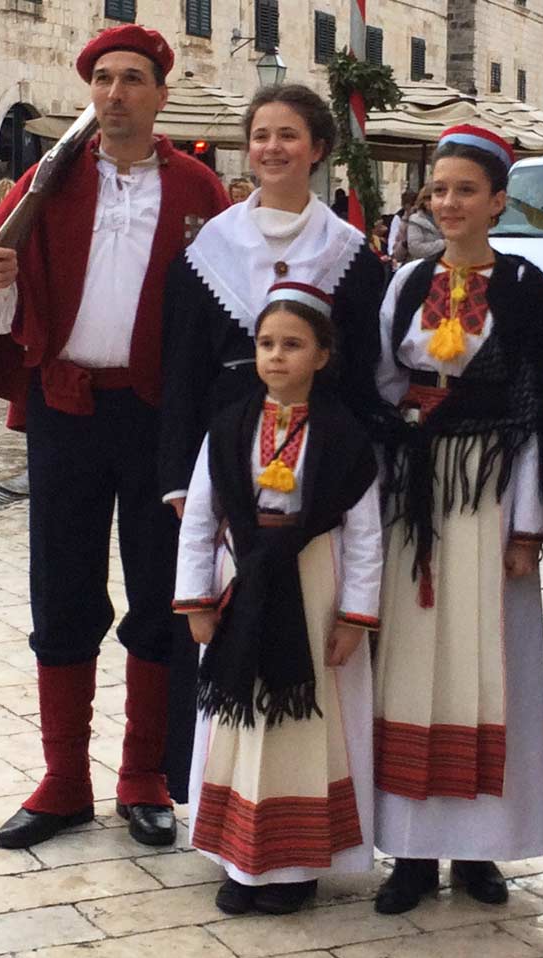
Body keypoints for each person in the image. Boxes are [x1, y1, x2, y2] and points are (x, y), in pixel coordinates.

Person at [0, 24, 231, 850]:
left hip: (160, 418)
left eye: (133, 80)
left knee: (158, 589)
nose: (115, 94)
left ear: (161, 95)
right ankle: (63, 779)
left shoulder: (198, 190)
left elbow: (227, 303)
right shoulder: (50, 176)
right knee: (62, 585)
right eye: (104, 79)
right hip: (66, 406)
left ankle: (143, 774)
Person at [158, 82, 389, 801]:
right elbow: (182, 368)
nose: (272, 148)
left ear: (318, 149)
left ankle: (309, 806)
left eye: (288, 135)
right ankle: (221, 802)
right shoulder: (210, 249)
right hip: (228, 458)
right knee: (224, 630)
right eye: (260, 135)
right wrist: (178, 479)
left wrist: (360, 473)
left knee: (311, 630)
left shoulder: (350, 254)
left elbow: (364, 377)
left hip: (319, 468)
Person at [369, 125, 543, 916]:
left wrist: (527, 525)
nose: (448, 203)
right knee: (409, 666)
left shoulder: (521, 285)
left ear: (498, 201)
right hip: (415, 499)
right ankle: (411, 850)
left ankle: (483, 848)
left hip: (492, 493)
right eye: (437, 190)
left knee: (492, 664)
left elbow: (535, 408)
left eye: (465, 190)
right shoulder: (407, 283)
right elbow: (382, 382)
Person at [175, 284, 382, 916]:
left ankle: (295, 866)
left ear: (323, 355)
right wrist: (198, 599)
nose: (276, 356)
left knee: (303, 730)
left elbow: (365, 531)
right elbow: (201, 518)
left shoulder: (345, 436)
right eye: (266, 344)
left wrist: (354, 616)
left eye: (293, 345)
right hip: (243, 585)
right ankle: (241, 861)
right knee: (243, 722)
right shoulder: (229, 425)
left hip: (313, 588)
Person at [396, 185, 444, 264]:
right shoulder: (415, 220)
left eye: (434, 198)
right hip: (421, 266)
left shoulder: (446, 218)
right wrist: (443, 244)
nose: (430, 202)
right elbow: (416, 249)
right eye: (427, 199)